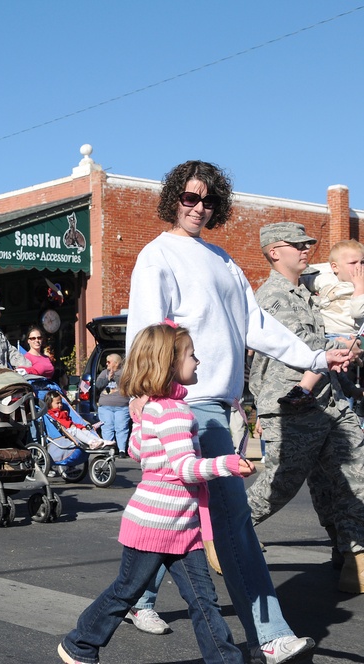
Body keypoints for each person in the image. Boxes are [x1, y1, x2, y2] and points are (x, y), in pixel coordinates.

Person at [124, 160, 351, 663]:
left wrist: (316, 357)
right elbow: (145, 335)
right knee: (231, 526)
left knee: (179, 517)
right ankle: (270, 635)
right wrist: (146, 403)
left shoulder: (222, 259)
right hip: (189, 407)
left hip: (224, 407)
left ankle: (127, 601)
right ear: (172, 199)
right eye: (189, 197)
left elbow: (257, 324)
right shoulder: (156, 256)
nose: (198, 207)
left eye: (207, 199)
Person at [59, 322, 254, 664]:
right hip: (158, 524)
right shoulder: (175, 412)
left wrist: (140, 418)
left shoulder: (156, 407)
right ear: (170, 363)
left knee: (201, 599)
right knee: (127, 591)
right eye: (191, 355)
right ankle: (80, 644)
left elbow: (137, 451)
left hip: (176, 524)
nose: (198, 361)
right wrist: (229, 464)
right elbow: (184, 468)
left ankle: (225, 660)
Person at [246, 222, 364, 594]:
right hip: (292, 403)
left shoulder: (306, 292)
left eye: (307, 243)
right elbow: (303, 343)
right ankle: (226, 530)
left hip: (330, 399)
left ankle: (354, 557)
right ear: (273, 251)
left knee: (353, 477)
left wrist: (347, 348)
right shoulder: (272, 296)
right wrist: (343, 344)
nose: (305, 249)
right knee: (281, 483)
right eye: (296, 244)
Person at [282, 239, 364, 408]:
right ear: (335, 267)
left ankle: (307, 390)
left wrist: (359, 288)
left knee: (338, 374)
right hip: (325, 334)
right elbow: (301, 281)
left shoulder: (361, 287)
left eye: (362, 262)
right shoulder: (325, 280)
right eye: (353, 262)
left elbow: (358, 312)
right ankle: (304, 388)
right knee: (322, 361)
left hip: (346, 336)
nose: (359, 267)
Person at [44, 390, 113, 449]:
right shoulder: (51, 413)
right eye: (57, 403)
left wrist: (81, 427)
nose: (60, 405)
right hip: (64, 431)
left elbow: (71, 422)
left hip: (71, 428)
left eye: (61, 403)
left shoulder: (63, 412)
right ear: (49, 404)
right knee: (76, 430)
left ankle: (100, 441)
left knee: (86, 431)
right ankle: (91, 443)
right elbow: (61, 422)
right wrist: (72, 426)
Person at [95, 353, 130, 458]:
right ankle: (109, 448)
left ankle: (122, 450)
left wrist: (115, 377)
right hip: (105, 407)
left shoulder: (125, 373)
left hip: (122, 407)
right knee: (107, 427)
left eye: (109, 362)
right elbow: (98, 386)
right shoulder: (103, 373)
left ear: (116, 363)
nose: (106, 364)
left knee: (121, 427)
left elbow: (127, 387)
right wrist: (107, 379)